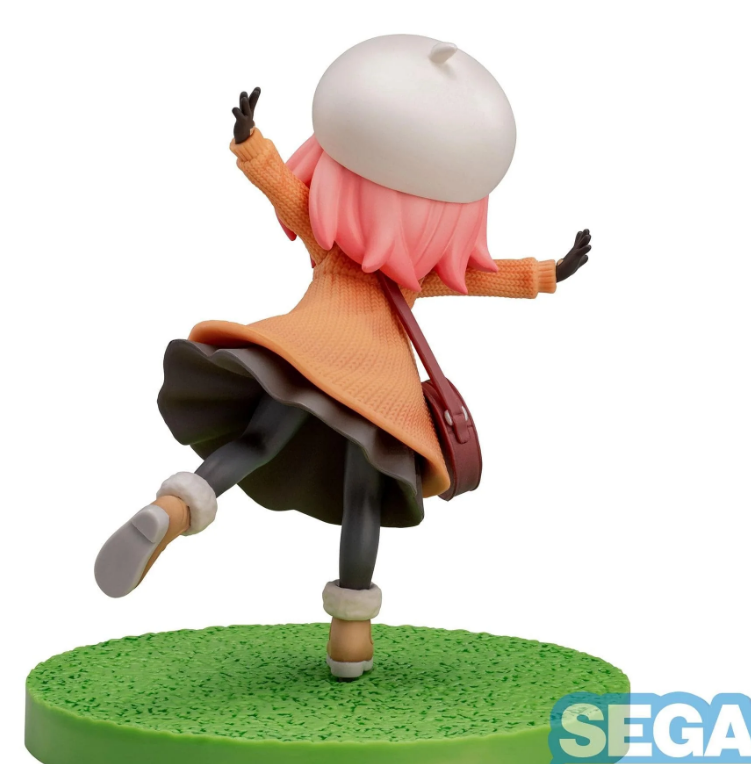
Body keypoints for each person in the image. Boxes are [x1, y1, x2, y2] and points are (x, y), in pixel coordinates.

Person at [94, 35, 591, 679]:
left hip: (307, 358)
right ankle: (351, 633)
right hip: (379, 394)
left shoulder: (331, 245)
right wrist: (548, 273)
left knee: (256, 441)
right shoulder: (414, 276)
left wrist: (251, 141)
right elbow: (480, 276)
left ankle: (176, 508)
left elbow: (283, 192)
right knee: (363, 500)